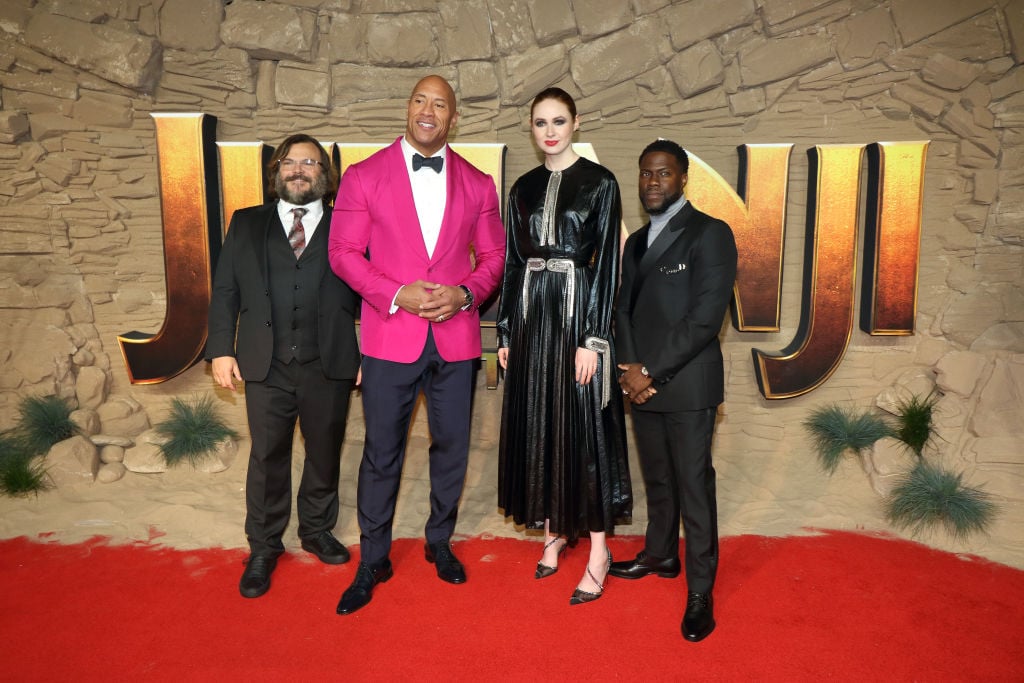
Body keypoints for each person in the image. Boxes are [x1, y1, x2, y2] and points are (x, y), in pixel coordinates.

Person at [328, 75, 506, 615]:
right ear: (408, 108)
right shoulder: (363, 176)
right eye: (420, 101)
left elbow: (494, 259)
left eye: (440, 104)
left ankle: (439, 541)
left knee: (452, 448)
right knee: (381, 453)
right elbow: (342, 252)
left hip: (455, 341)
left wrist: (465, 294)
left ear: (454, 117)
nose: (428, 111)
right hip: (389, 339)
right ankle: (372, 559)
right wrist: (396, 293)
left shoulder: (479, 183)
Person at [207, 133, 361, 599]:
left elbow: (371, 293)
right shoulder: (246, 223)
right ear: (276, 172)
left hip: (328, 361)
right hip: (265, 362)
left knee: (324, 452)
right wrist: (221, 349)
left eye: (310, 163)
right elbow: (226, 290)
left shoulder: (349, 225)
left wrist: (367, 353)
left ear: (325, 175)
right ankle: (264, 545)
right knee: (267, 455)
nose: (299, 170)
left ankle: (316, 530)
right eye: (290, 162)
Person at [496, 87, 632, 605]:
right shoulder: (523, 187)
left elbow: (609, 265)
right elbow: (513, 262)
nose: (549, 131)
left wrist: (593, 339)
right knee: (541, 418)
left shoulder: (601, 183)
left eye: (558, 121)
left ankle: (598, 551)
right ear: (531, 129)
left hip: (578, 317)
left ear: (576, 123)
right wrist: (506, 330)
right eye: (540, 123)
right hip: (532, 319)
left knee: (585, 428)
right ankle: (552, 533)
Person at [611, 139, 737, 641]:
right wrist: (629, 369)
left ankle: (701, 590)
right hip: (642, 384)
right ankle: (661, 554)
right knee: (658, 480)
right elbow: (622, 309)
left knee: (693, 487)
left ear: (684, 178)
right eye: (646, 173)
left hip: (687, 384)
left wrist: (649, 371)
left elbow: (705, 318)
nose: (653, 182)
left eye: (663, 173)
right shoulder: (636, 242)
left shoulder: (710, 233)